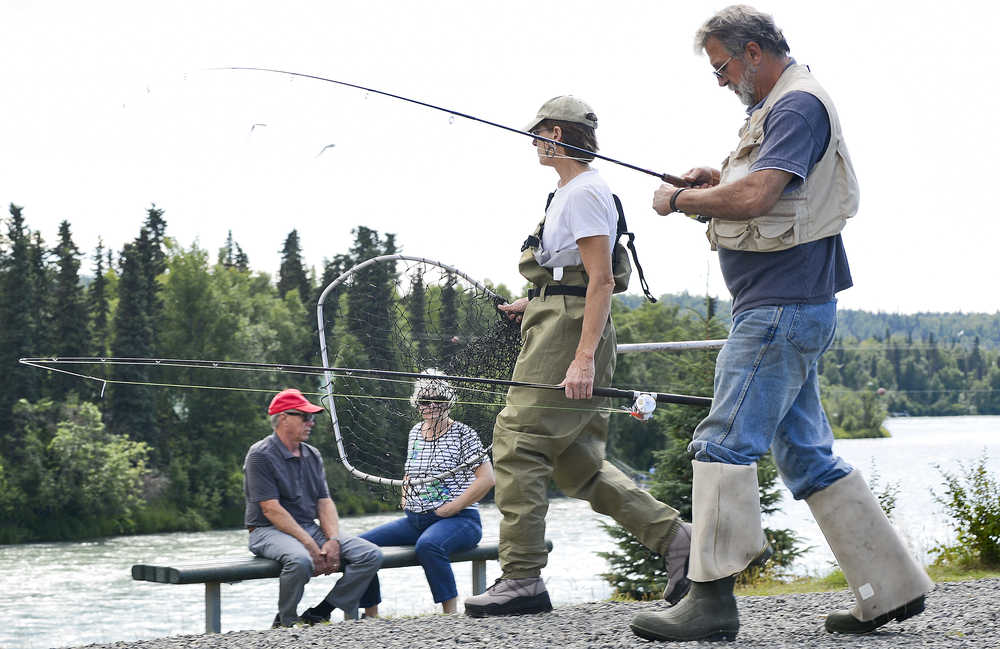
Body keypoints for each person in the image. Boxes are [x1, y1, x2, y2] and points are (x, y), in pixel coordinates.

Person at [629, 5, 932, 642]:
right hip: (793, 307)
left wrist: (679, 200)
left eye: (721, 67)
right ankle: (893, 588)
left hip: (779, 310)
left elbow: (759, 197)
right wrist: (716, 178)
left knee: (723, 441)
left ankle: (709, 603)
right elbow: (760, 186)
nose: (718, 81)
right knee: (807, 456)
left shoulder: (796, 106)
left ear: (754, 53)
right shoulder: (784, 107)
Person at [463, 96, 691, 617]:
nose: (533, 139)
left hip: (568, 335)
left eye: (540, 131)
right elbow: (570, 275)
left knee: (517, 443)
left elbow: (602, 279)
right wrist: (536, 301)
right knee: (578, 466)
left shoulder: (585, 193)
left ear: (561, 135)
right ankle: (677, 538)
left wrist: (582, 357)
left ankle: (522, 578)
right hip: (557, 322)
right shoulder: (571, 191)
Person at [356, 370, 495, 616]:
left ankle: (449, 614)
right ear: (417, 404)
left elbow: (487, 479)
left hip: (460, 521)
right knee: (360, 545)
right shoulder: (415, 432)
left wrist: (453, 507)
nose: (431, 405)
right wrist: (405, 495)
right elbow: (411, 470)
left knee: (428, 546)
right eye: (424, 400)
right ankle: (371, 614)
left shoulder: (464, 434)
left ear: (448, 401)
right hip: (416, 519)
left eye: (438, 399)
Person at [244, 388, 383, 628]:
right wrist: (310, 544)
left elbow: (324, 502)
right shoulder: (259, 455)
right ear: (283, 417)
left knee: (370, 554)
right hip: (266, 531)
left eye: (313, 418)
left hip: (309, 527)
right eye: (305, 417)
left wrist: (332, 540)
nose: (311, 423)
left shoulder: (313, 454)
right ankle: (285, 622)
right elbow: (270, 509)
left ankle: (322, 611)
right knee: (300, 561)